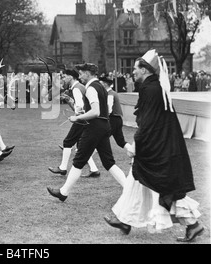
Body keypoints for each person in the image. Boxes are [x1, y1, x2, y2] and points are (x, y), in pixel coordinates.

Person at [104, 50, 204, 242]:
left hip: (156, 147)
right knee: (138, 179)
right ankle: (124, 220)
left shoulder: (151, 90)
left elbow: (148, 122)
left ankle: (193, 224)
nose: (133, 72)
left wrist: (136, 144)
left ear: (145, 70)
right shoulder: (154, 87)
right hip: (159, 144)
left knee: (162, 186)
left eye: (135, 69)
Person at [47, 63, 127, 202]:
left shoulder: (91, 88)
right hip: (104, 126)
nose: (80, 76)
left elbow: (95, 111)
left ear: (89, 73)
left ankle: (63, 192)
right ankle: (129, 189)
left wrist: (77, 117)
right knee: (108, 162)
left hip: (94, 127)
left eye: (82, 73)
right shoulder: (101, 87)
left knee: (79, 160)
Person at [49, 69, 100, 177]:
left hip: (82, 119)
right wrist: (70, 100)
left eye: (64, 77)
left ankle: (62, 168)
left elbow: (80, 106)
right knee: (81, 145)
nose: (63, 79)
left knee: (68, 142)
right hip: (86, 119)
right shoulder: (80, 87)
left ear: (71, 77)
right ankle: (94, 169)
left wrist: (77, 117)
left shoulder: (76, 89)